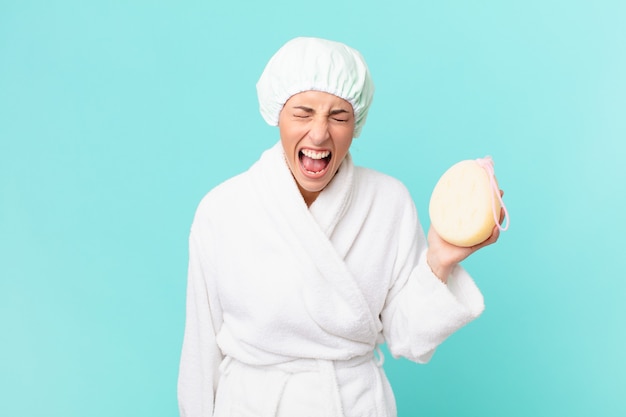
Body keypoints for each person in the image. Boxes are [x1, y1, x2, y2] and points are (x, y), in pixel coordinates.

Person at [178, 36, 503, 417]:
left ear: (357, 122)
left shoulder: (388, 201)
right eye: (303, 112)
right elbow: (200, 351)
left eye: (338, 116)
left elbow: (409, 338)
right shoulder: (223, 209)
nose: (319, 133)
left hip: (352, 404)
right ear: (276, 114)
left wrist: (440, 261)